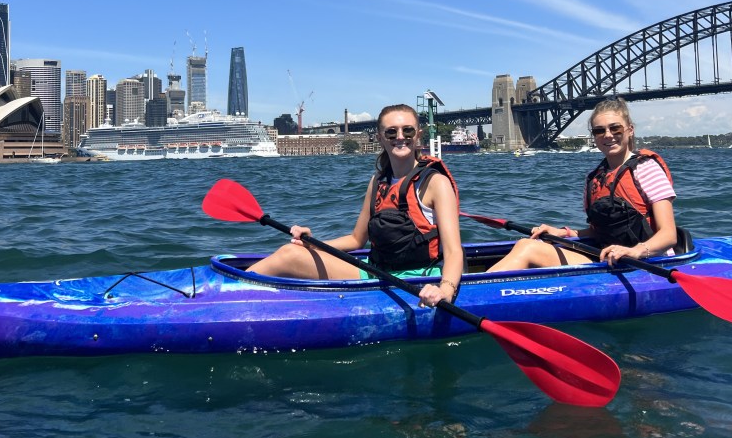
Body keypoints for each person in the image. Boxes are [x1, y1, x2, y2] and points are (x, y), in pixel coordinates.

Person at [247, 104, 464, 308]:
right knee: (293, 250)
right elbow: (356, 240)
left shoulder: (436, 183)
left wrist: (446, 290)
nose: (400, 137)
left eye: (407, 131)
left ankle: (229, 293)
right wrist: (310, 243)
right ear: (380, 138)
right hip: (377, 272)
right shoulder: (378, 182)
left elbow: (454, 251)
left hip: (417, 278)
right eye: (391, 132)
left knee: (289, 256)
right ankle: (234, 290)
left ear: (418, 135)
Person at [487, 97, 678, 272]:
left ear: (630, 129)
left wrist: (636, 251)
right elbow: (599, 232)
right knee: (524, 244)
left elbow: (669, 235)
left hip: (647, 262)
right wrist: (563, 232)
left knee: (528, 249)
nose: (608, 135)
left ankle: (469, 299)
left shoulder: (647, 169)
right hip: (608, 259)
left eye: (615, 128)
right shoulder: (595, 178)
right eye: (599, 130)